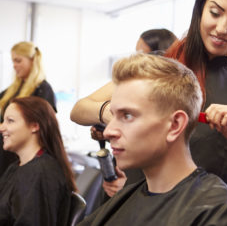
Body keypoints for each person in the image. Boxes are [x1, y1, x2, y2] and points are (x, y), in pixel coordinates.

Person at [71, 0, 227, 196]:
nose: (222, 28)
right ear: (200, 10)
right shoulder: (157, 66)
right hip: (135, 205)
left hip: (205, 215)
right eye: (215, 13)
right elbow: (79, 109)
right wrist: (112, 115)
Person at [78, 53, 227, 225]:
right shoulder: (121, 201)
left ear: (175, 125)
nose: (109, 131)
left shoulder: (221, 214)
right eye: (113, 116)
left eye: (127, 116)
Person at [70, 28, 177, 198]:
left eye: (142, 53)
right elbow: (78, 110)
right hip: (123, 180)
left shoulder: (176, 89)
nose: (137, 60)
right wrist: (107, 115)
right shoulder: (132, 79)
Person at [0, 96, 77, 226]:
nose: (1, 128)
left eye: (10, 121)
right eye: (3, 121)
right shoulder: (17, 167)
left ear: (34, 126)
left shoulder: (41, 173)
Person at [0, 41, 57, 175]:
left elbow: (46, 126)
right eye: (13, 61)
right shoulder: (11, 91)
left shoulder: (43, 90)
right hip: (5, 154)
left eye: (18, 61)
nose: (14, 65)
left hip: (22, 157)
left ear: (32, 60)